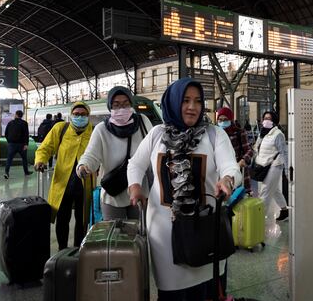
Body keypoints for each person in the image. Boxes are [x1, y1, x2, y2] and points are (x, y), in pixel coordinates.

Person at [127, 78, 242, 301]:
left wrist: (227, 179)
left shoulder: (214, 134)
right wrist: (135, 187)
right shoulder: (157, 134)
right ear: (173, 102)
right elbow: (135, 164)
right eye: (186, 100)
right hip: (164, 234)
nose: (192, 107)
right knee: (172, 293)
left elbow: (231, 165)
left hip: (205, 232)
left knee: (208, 291)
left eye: (198, 101)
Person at [76, 86, 153, 220]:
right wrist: (84, 166)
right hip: (113, 195)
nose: (121, 109)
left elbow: (154, 148)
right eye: (116, 105)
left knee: (139, 235)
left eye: (125, 104)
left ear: (131, 104)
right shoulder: (102, 129)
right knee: (116, 237)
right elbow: (91, 154)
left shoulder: (142, 123)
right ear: (110, 107)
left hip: (140, 191)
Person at [34, 101, 94, 250]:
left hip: (85, 184)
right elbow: (46, 147)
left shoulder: (93, 132)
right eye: (76, 114)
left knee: (82, 220)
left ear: (88, 116)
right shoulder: (60, 128)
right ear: (71, 115)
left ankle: (78, 250)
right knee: (62, 218)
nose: (79, 117)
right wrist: (40, 160)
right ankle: (62, 249)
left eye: (83, 114)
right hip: (63, 184)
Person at [254, 111, 289, 221]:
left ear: (274, 121)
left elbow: (284, 152)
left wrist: (287, 171)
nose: (266, 121)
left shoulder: (278, 134)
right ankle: (284, 210)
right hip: (264, 164)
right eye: (265, 118)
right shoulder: (263, 133)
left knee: (265, 191)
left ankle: (258, 220)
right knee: (274, 190)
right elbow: (257, 147)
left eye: (269, 118)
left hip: (275, 165)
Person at [217, 107, 254, 193]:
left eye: (225, 119)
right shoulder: (216, 134)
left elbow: (250, 150)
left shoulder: (239, 132)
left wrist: (243, 160)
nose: (222, 122)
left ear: (231, 120)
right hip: (220, 173)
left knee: (239, 200)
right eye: (220, 120)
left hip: (238, 171)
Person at [3, 110, 33, 179]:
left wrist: (9, 141)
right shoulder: (24, 123)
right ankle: (26, 172)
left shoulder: (10, 123)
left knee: (9, 159)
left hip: (12, 144)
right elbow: (26, 135)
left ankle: (6, 172)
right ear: (21, 116)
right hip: (21, 145)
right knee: (24, 159)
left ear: (16, 115)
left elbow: (6, 133)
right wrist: (26, 144)